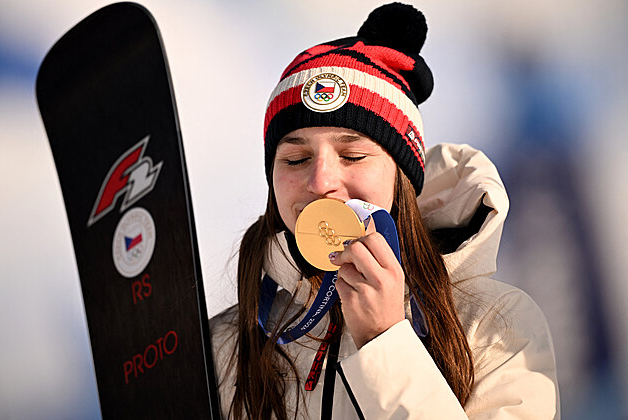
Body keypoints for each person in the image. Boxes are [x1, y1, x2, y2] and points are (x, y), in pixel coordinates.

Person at [210, 3, 559, 419]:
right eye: (296, 159)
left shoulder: (495, 326)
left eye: (352, 155)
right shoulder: (226, 346)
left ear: (401, 179)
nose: (321, 182)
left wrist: (385, 341)